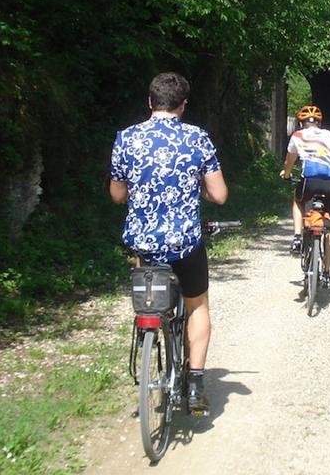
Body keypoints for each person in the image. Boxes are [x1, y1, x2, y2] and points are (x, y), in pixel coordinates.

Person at [109, 72, 228, 414]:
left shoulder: (127, 139)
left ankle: (149, 329)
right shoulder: (196, 138)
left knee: (149, 302)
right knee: (198, 306)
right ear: (183, 105)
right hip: (185, 244)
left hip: (144, 246)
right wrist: (200, 189)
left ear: (150, 102)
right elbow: (219, 194)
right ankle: (195, 385)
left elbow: (117, 194)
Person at [280, 104, 330, 287]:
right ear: (319, 123)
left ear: (301, 123)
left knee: (298, 202)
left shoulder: (297, 136)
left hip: (310, 181)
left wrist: (286, 174)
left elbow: (289, 161)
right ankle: (326, 272)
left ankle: (297, 237)